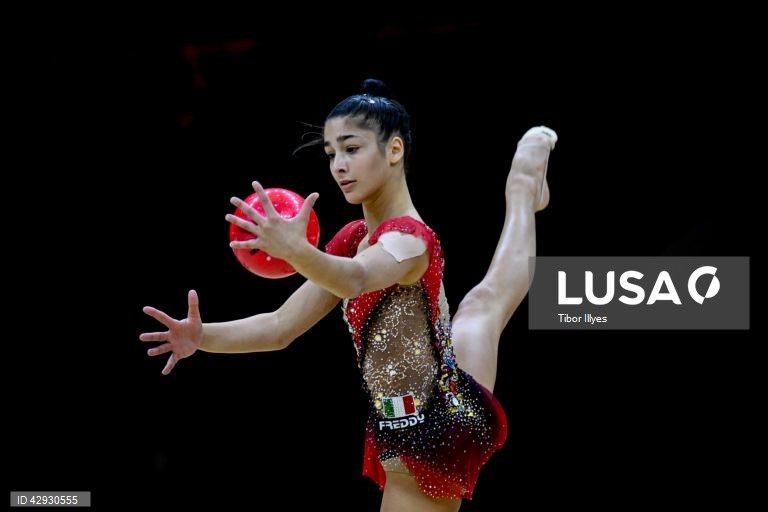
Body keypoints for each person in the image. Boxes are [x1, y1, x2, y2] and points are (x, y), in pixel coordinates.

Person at [140, 79, 557, 511]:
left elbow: (356, 279)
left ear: (394, 151)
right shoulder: (354, 236)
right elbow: (280, 326)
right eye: (330, 153)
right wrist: (200, 336)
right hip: (430, 386)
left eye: (351, 149)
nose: (339, 165)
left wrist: (296, 252)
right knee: (482, 306)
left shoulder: (410, 241)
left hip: (433, 427)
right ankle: (524, 189)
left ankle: (522, 184)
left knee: (484, 306)